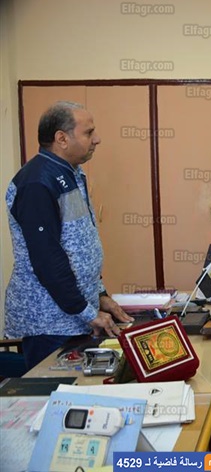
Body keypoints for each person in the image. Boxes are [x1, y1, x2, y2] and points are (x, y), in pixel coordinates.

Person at [4, 101, 132, 370]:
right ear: (61, 138)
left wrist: (100, 295)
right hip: (50, 322)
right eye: (89, 133)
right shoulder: (37, 182)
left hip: (75, 315)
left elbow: (80, 242)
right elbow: (47, 260)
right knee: (56, 392)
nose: (97, 139)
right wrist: (85, 311)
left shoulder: (71, 173)